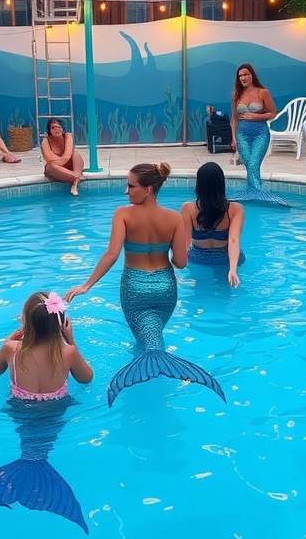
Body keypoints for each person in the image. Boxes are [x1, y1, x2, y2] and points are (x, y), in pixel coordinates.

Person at [65, 162, 226, 406]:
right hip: (165, 288)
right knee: (153, 334)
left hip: (135, 288)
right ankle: (156, 375)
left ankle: (147, 383)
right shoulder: (173, 218)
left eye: (131, 186)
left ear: (148, 189)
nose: (126, 191)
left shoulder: (123, 214)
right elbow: (181, 262)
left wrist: (87, 285)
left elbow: (111, 254)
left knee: (146, 340)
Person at [0, 291, 93, 532]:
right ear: (61, 324)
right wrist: (71, 341)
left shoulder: (12, 349)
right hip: (56, 410)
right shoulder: (68, 353)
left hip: (20, 409)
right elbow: (87, 379)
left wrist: (6, 342)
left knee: (30, 443)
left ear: (26, 323)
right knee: (44, 441)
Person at [231, 64, 288, 205]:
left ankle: (257, 195)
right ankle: (255, 195)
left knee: (253, 163)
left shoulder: (263, 92)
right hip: (242, 135)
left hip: (260, 134)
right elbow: (234, 119)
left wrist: (256, 117)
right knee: (249, 165)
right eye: (240, 76)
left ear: (252, 75)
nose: (242, 78)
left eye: (245, 74)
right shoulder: (236, 95)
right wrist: (233, 138)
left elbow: (273, 113)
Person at [181, 162, 245, 287]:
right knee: (225, 296)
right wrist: (232, 270)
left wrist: (175, 265)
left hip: (199, 259)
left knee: (199, 294)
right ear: (221, 184)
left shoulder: (188, 208)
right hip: (225, 259)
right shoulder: (235, 209)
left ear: (199, 185)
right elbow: (233, 241)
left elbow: (184, 242)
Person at [41, 118, 84, 195]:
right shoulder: (46, 141)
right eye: (53, 128)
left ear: (63, 128)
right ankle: (76, 179)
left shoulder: (68, 136)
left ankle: (75, 180)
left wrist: (60, 162)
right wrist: (58, 164)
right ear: (49, 130)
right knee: (50, 167)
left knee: (75, 154)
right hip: (56, 169)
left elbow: (67, 156)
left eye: (59, 127)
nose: (56, 130)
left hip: (68, 166)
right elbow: (49, 158)